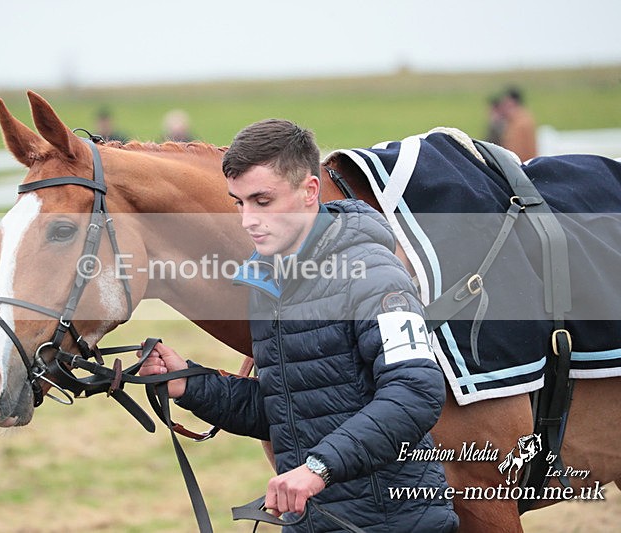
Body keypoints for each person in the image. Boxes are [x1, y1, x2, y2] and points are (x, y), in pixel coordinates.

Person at [139, 119, 458, 532]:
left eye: (262, 200)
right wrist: (190, 385)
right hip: (314, 520)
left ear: (310, 192)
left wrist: (318, 468)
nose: (248, 220)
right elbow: (290, 409)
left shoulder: (374, 274)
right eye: (239, 203)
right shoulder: (270, 282)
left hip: (393, 521)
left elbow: (416, 392)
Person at [497, 86, 537, 161]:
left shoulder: (520, 122)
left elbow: (517, 150)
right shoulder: (517, 119)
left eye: (505, 104)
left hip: (521, 165)